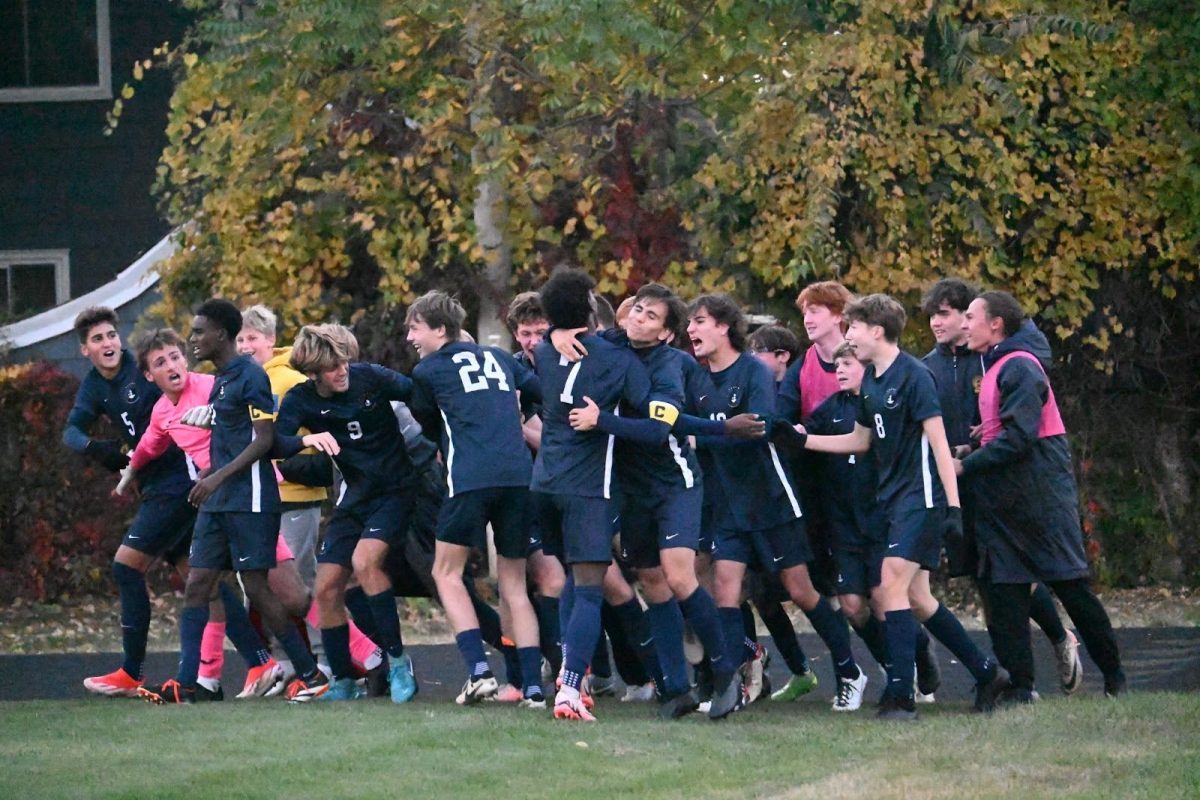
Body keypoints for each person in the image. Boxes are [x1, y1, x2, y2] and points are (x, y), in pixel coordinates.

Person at [785, 294, 1008, 721]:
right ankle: (986, 673)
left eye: (853, 327)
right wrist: (803, 440)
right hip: (892, 501)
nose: (848, 336)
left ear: (876, 330)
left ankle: (901, 696)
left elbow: (940, 445)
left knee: (889, 586)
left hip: (919, 499)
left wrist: (953, 508)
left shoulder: (915, 375)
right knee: (918, 599)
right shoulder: (871, 381)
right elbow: (860, 440)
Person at [553, 282, 765, 719]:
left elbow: (656, 430)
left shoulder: (671, 367)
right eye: (638, 310)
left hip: (675, 484)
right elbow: (570, 336)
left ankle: (727, 671)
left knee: (680, 575)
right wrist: (557, 334)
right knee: (651, 582)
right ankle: (675, 688)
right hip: (630, 489)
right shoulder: (612, 343)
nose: (639, 318)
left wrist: (601, 420)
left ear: (667, 333)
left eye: (652, 316)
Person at [138, 299, 328, 704]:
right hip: (218, 498)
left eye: (199, 331)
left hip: (251, 498)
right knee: (197, 585)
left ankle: (311, 674)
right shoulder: (222, 379)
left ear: (221, 335)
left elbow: (264, 440)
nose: (193, 340)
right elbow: (232, 441)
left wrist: (219, 475)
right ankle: (185, 684)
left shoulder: (250, 376)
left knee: (258, 587)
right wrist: (212, 474)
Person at [687, 293, 868, 713]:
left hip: (769, 497)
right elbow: (690, 429)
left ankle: (848, 671)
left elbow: (760, 426)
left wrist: (709, 430)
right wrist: (714, 429)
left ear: (723, 326)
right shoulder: (696, 378)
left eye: (699, 321)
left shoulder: (753, 371)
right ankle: (728, 685)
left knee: (799, 589)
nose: (692, 330)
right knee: (727, 589)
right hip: (727, 502)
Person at [958, 291, 1125, 700]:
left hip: (1040, 499)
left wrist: (966, 465)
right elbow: (1005, 430)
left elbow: (1020, 439)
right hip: (1004, 502)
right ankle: (1021, 687)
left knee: (1071, 587)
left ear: (996, 324)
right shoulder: (997, 365)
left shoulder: (1020, 366)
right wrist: (977, 445)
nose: (964, 324)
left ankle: (1115, 678)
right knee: (1005, 594)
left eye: (970, 316)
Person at [922, 279, 1083, 695]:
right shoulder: (928, 366)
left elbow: (1033, 354)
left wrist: (978, 448)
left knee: (1015, 579)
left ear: (969, 317)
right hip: (959, 484)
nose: (937, 323)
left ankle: (1055, 640)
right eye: (932, 316)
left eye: (945, 314)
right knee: (985, 578)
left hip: (1001, 481)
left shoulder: (999, 357)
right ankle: (1007, 677)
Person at [529, 268, 672, 722]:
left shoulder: (545, 353)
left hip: (544, 484)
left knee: (572, 579)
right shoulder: (619, 361)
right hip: (587, 487)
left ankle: (571, 677)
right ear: (590, 308)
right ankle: (570, 687)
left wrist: (553, 332)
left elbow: (566, 334)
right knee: (590, 589)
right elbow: (653, 425)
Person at [405, 290, 547, 708]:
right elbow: (537, 390)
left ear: (439, 329)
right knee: (514, 584)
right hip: (519, 476)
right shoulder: (501, 359)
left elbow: (428, 424)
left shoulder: (428, 371)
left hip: (470, 476)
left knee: (446, 573)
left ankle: (479, 672)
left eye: (415, 327)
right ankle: (534, 688)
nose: (411, 336)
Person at [274, 323, 419, 703]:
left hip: (396, 490)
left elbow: (421, 394)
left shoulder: (370, 378)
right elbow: (274, 442)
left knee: (365, 563)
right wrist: (306, 439)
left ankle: (399, 663)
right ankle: (342, 681)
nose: (342, 370)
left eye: (343, 361)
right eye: (331, 366)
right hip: (355, 497)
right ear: (312, 372)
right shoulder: (302, 399)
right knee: (324, 589)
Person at [64, 307, 195, 697]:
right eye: (97, 339)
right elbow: (70, 431)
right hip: (156, 485)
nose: (107, 344)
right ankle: (262, 661)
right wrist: (95, 447)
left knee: (126, 566)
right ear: (84, 350)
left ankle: (131, 671)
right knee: (199, 578)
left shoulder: (142, 370)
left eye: (110, 336)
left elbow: (181, 403)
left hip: (177, 481)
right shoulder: (92, 385)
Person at [804, 342, 891, 670]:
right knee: (853, 606)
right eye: (836, 365)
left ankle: (913, 662)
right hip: (843, 522)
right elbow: (805, 435)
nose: (839, 370)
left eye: (847, 364)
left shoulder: (882, 403)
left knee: (884, 600)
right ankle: (891, 663)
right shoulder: (831, 408)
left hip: (881, 517)